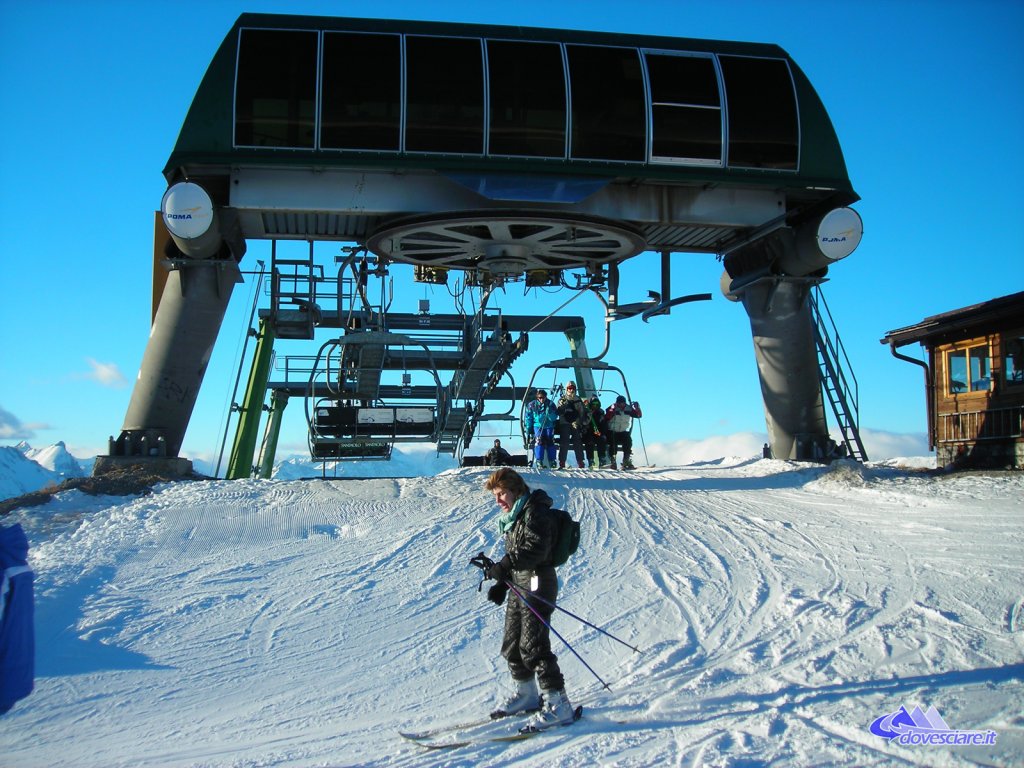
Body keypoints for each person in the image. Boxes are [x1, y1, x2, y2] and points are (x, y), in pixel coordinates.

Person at [477, 468, 575, 730]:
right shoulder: (515, 515)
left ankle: (559, 704)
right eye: (496, 496)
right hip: (521, 582)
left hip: (538, 582)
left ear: (515, 490)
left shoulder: (535, 511)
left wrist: (505, 564)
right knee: (512, 642)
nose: (499, 501)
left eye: (501, 494)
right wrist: (501, 580)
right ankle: (527, 694)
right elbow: (519, 553)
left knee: (534, 645)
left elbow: (535, 549)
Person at [523, 389, 558, 468]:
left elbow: (554, 417)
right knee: (539, 441)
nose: (542, 399)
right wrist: (529, 428)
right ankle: (539, 460)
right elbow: (529, 417)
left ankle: (552, 460)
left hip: (549, 425)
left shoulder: (550, 404)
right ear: (537, 397)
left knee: (550, 440)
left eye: (543, 397)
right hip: (538, 425)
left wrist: (549, 413)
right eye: (540, 397)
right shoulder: (532, 405)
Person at [605, 395, 642, 470]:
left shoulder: (628, 409)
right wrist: (613, 409)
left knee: (628, 442)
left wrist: (637, 408)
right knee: (613, 444)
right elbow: (607, 417)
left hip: (623, 431)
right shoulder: (612, 408)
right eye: (619, 403)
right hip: (612, 431)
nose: (621, 405)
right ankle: (613, 461)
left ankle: (626, 461)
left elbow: (638, 415)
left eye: (622, 403)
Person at [555, 382, 587, 469]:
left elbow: (581, 412)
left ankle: (580, 461)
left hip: (575, 423)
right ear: (566, 389)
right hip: (565, 422)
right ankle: (562, 462)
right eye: (569, 388)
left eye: (572, 388)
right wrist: (562, 406)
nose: (571, 390)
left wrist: (580, 422)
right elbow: (559, 412)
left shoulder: (578, 400)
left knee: (577, 441)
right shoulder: (562, 399)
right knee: (564, 441)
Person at [582, 396, 612, 469]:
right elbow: (584, 422)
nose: (595, 406)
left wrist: (602, 433)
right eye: (593, 404)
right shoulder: (586, 411)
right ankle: (591, 460)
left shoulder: (600, 412)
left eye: (596, 404)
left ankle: (602, 459)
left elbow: (603, 424)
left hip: (597, 432)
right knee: (589, 441)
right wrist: (589, 415)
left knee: (601, 439)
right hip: (588, 432)